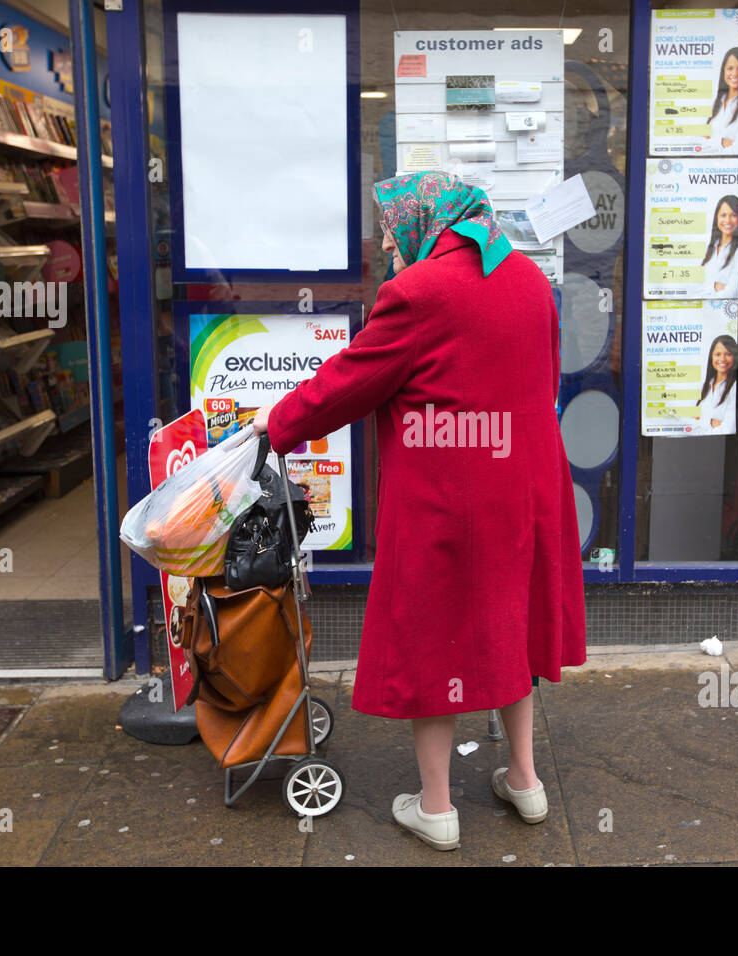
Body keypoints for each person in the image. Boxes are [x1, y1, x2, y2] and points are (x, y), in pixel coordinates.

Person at [252, 171, 586, 851]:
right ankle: (524, 780)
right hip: (525, 489)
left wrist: (276, 423)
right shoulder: (529, 281)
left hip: (447, 495)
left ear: (423, 219)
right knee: (509, 626)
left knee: (437, 639)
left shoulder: (418, 293)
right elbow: (544, 381)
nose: (387, 239)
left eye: (391, 224)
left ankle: (436, 806)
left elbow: (351, 381)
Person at [706, 47, 738, 154]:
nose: (734, 74)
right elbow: (695, 142)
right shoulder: (715, 102)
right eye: (730, 68)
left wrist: (710, 142)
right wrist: (722, 142)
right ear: (723, 71)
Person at [700, 195, 738, 298]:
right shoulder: (709, 247)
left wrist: (707, 289)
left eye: (733, 215)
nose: (727, 220)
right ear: (717, 218)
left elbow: (733, 292)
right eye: (723, 215)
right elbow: (695, 286)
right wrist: (714, 286)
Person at [696, 334, 738, 433]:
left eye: (728, 354)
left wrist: (701, 423)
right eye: (718, 354)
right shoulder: (703, 386)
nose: (722, 359)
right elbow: (689, 423)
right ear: (711, 357)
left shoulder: (735, 387)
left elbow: (729, 429)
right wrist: (710, 422)